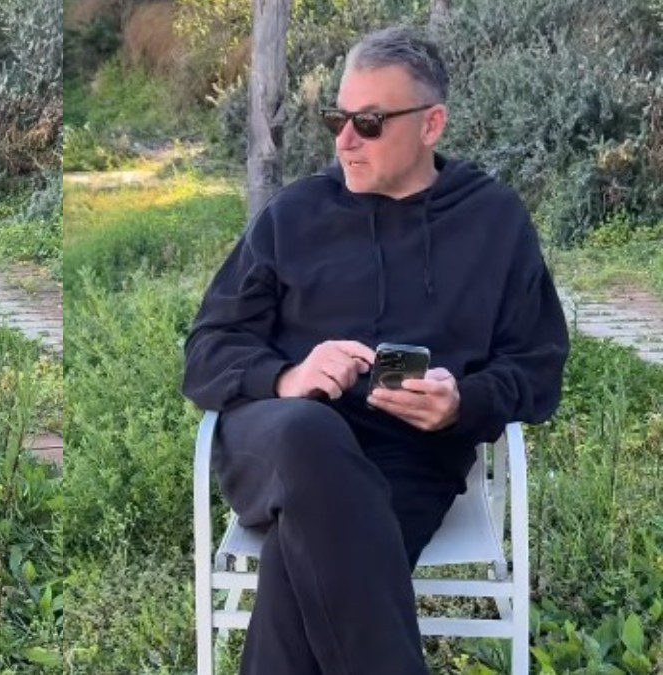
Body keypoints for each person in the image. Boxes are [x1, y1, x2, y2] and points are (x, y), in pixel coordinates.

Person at [182, 26, 568, 674]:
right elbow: (207, 348)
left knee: (303, 566)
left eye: (368, 122)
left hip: (409, 459)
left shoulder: (494, 222)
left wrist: (461, 403)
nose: (344, 141)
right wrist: (287, 377)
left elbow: (538, 364)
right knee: (311, 431)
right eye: (338, 118)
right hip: (275, 439)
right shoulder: (293, 215)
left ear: (431, 124)